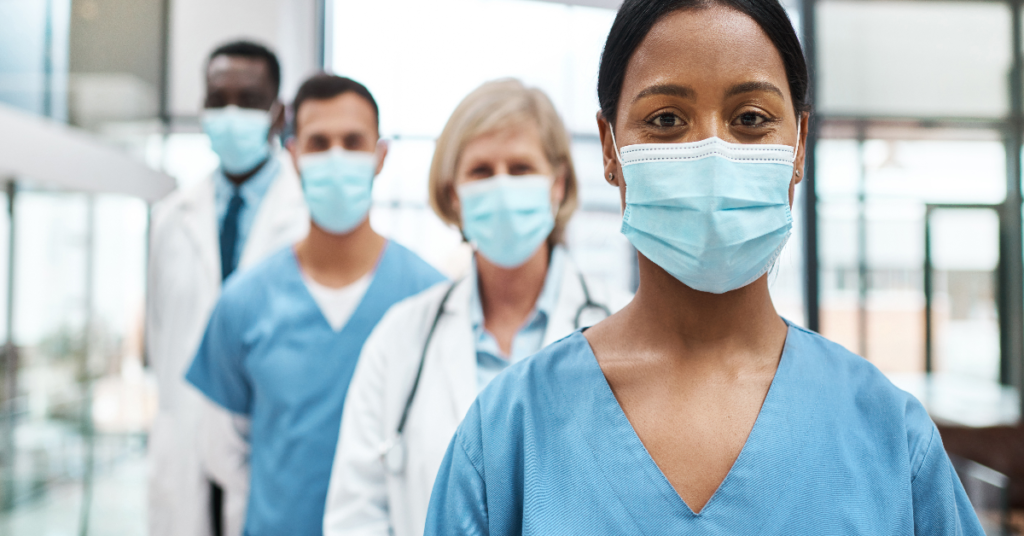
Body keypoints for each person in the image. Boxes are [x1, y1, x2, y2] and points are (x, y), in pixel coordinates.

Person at [424, 1, 986, 534]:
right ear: (609, 149)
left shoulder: (887, 435)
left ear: (799, 145)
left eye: (750, 118)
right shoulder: (510, 433)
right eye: (667, 119)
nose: (712, 151)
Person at [322, 79, 633, 536]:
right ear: (453, 195)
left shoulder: (623, 326)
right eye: (482, 171)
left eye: (521, 168)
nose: (502, 186)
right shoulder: (401, 339)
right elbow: (356, 516)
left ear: (558, 184)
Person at [185, 73, 446, 536]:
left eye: (353, 141)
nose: (337, 157)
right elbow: (223, 452)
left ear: (380, 155)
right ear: (294, 156)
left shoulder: (431, 299)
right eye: (319, 142)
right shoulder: (244, 302)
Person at [147, 41, 308, 536]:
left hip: (270, 454)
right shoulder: (172, 218)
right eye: (218, 99)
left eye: (249, 98)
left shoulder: (303, 217)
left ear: (277, 112)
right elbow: (161, 337)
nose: (231, 112)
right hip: (185, 450)